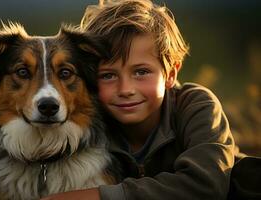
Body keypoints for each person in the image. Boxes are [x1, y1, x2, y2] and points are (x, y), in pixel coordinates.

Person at [42, 0, 238, 199]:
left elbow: (206, 184)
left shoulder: (195, 105)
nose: (125, 90)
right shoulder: (87, 125)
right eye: (108, 75)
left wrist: (102, 196)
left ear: (171, 73)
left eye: (141, 72)